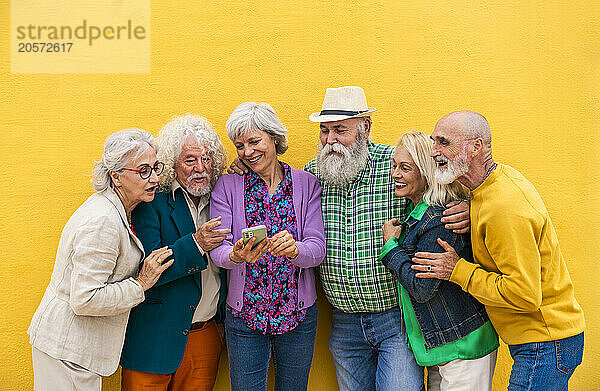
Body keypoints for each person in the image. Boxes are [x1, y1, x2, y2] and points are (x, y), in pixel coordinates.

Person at [304, 86, 470, 391]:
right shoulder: (313, 173)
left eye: (340, 130)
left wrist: (467, 206)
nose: (330, 140)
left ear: (365, 128)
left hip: (396, 318)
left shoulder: (393, 164)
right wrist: (240, 168)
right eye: (325, 130)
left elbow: (443, 182)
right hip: (344, 322)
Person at [412, 111, 585, 391]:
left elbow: (525, 294)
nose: (433, 152)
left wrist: (458, 271)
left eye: (443, 142)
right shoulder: (490, 188)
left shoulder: (504, 206)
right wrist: (474, 209)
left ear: (476, 147)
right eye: (434, 142)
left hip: (545, 342)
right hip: (544, 341)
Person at [28, 129, 173, 391]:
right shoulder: (103, 221)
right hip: (67, 351)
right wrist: (140, 284)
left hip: (75, 350)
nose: (154, 178)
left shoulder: (120, 208)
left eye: (155, 167)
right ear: (116, 176)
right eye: (143, 170)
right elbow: (85, 298)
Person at [210, 102, 326, 391]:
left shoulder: (306, 183)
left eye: (254, 141)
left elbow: (317, 248)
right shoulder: (227, 186)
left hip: (297, 313)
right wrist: (236, 255)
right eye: (240, 146)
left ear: (274, 138)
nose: (247, 152)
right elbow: (218, 251)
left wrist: (295, 249)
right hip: (245, 314)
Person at [378, 131, 498, 391]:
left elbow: (423, 288)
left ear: (425, 172)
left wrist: (391, 248)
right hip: (442, 345)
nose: (395, 174)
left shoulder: (441, 220)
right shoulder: (417, 213)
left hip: (462, 345)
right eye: (394, 166)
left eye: (405, 168)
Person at [120, 115, 229, 391]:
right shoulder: (151, 201)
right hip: (153, 338)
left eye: (207, 159)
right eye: (190, 160)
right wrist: (196, 243)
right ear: (171, 162)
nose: (200, 168)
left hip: (204, 336)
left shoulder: (222, 196)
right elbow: (147, 267)